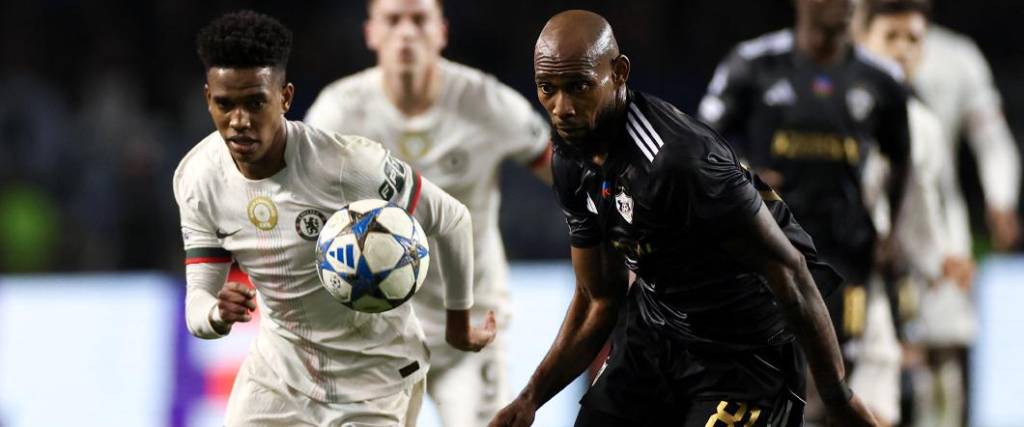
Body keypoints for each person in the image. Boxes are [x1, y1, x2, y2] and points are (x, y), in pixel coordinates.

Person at [490, 10, 878, 427]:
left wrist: (837, 394)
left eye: (579, 86)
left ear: (619, 72)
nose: (561, 107)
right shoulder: (570, 156)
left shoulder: (679, 163)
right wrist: (530, 398)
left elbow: (790, 270)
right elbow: (598, 297)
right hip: (656, 339)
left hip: (744, 357)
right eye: (547, 88)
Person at [173, 11, 495, 426]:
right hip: (279, 378)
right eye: (225, 104)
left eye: (256, 103)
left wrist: (458, 323)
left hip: (375, 377)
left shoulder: (347, 164)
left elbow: (451, 219)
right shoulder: (198, 179)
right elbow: (197, 304)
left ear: (285, 98)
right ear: (208, 99)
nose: (239, 121)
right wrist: (216, 313)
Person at [304, 0, 552, 424]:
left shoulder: (485, 102)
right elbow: (302, 209)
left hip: (473, 329)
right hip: (376, 337)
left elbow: (564, 172)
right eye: (393, 20)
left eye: (419, 20)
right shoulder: (338, 111)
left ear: (441, 32)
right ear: (371, 33)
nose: (406, 32)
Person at [697, 0, 912, 422]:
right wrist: (747, 176)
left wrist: (891, 231)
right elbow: (700, 144)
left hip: (843, 255)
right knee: (761, 376)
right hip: (766, 251)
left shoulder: (883, 80)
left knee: (830, 379)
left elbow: (902, 159)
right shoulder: (753, 64)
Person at [851, 1, 969, 425]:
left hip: (870, 286)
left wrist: (939, 258)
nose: (902, 49)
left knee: (876, 409)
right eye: (891, 37)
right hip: (806, 272)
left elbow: (918, 207)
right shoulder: (828, 100)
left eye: (913, 40)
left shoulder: (923, 125)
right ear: (861, 38)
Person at [914, 16, 1021, 254]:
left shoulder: (956, 56)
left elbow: (992, 141)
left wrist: (1000, 198)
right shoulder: (840, 52)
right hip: (858, 229)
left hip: (942, 231)